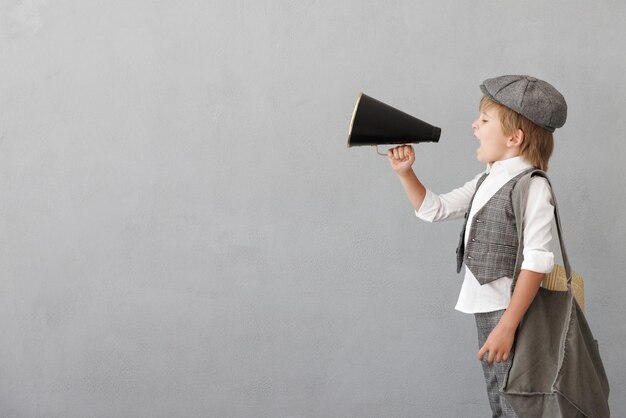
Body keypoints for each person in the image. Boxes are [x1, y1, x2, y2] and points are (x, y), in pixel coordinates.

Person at [388, 75, 567, 417]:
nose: (474, 125)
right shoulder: (488, 178)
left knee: (518, 401)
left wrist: (508, 326)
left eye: (484, 120)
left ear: (514, 138)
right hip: (488, 309)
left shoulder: (532, 186)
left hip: (513, 312)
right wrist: (405, 173)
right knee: (500, 399)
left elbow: (538, 261)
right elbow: (434, 209)